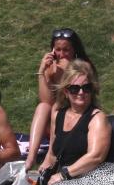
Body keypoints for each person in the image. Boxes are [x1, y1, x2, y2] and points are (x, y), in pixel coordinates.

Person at [24, 28, 93, 171]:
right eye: (58, 50)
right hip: (55, 122)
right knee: (43, 107)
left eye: (66, 50)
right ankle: (30, 159)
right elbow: (45, 101)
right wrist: (42, 72)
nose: (62, 54)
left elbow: (81, 100)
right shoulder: (52, 68)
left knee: (56, 106)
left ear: (74, 49)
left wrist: (67, 74)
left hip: (77, 119)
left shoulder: (84, 67)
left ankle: (51, 157)